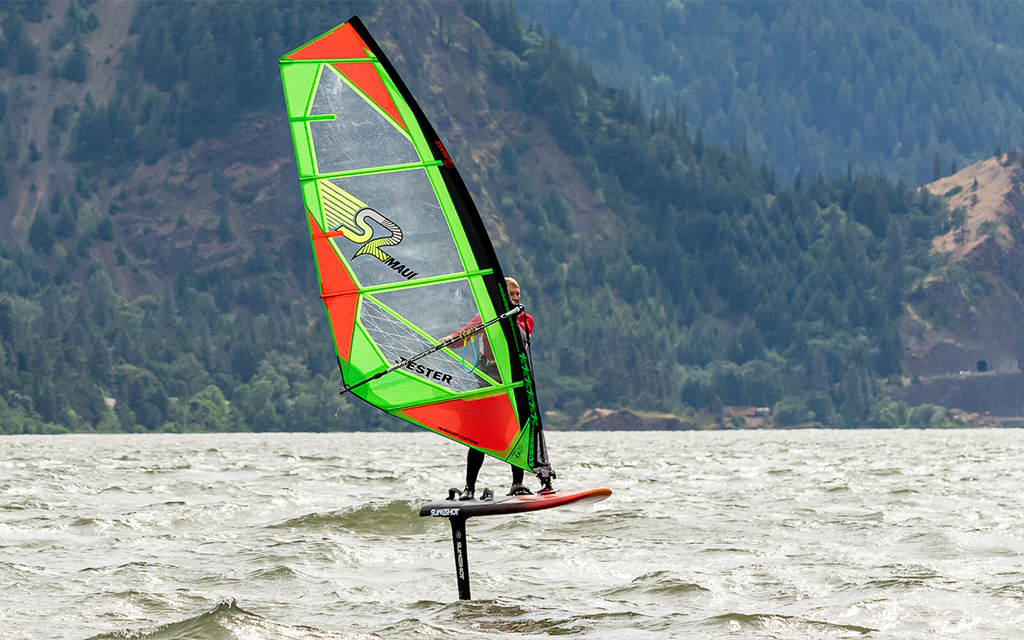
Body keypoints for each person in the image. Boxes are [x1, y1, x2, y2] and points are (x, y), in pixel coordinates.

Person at [454, 277, 534, 500]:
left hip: (512, 381)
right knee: (480, 433)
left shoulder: (525, 319)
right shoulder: (483, 318)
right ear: (500, 296)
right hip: (487, 380)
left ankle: (517, 483)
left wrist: (508, 316)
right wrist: (447, 340)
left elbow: (520, 339)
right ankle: (469, 487)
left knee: (514, 431)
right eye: (511, 295)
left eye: (518, 294)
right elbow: (463, 336)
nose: (516, 298)